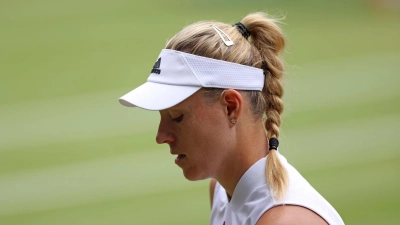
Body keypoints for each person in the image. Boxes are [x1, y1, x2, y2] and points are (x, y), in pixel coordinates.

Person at [119, 12, 344, 225]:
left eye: (177, 117)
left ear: (230, 107)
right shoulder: (220, 190)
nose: (161, 136)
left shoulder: (286, 220)